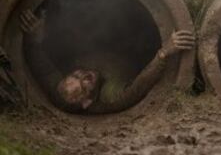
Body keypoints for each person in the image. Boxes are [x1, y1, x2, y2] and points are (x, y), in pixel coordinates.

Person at [20, 9, 195, 114]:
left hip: (101, 40)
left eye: (76, 75)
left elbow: (43, 69)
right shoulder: (109, 97)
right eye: (85, 86)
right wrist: (164, 52)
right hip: (133, 52)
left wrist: (35, 38)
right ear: (88, 102)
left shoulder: (60, 92)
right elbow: (139, 86)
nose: (85, 76)